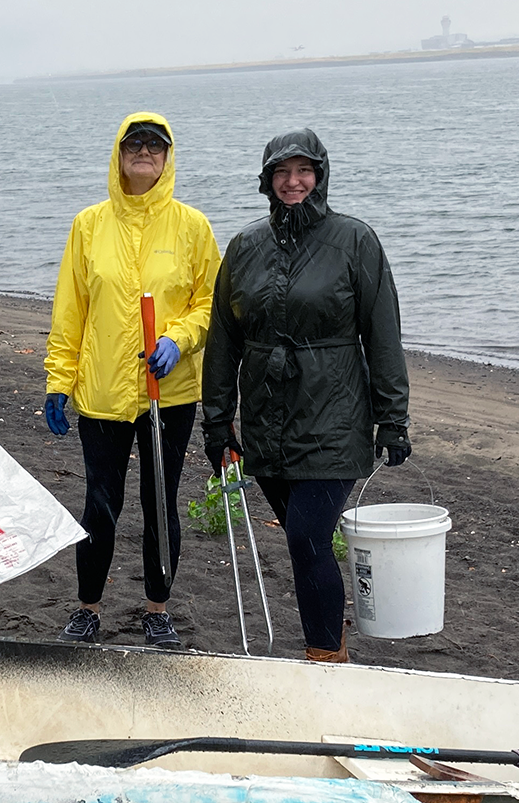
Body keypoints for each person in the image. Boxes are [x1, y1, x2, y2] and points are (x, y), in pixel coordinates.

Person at [201, 128, 410, 664]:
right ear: (267, 180)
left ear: (320, 176)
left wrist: (393, 417)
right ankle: (327, 636)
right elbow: (224, 336)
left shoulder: (354, 240)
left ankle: (325, 656)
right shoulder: (246, 246)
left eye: (303, 171)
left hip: (334, 411)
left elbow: (382, 331)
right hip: (267, 418)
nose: (293, 182)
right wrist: (218, 420)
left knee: (308, 536)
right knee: (303, 543)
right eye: (282, 173)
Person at [44, 114, 220, 647]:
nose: (144, 152)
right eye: (134, 145)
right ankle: (87, 609)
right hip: (101, 389)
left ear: (168, 158)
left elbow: (211, 303)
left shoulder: (192, 227)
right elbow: (70, 310)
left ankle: (157, 609)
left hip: (169, 392)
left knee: (160, 500)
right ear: (118, 155)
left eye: (155, 146)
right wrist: (59, 379)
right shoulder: (89, 225)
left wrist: (180, 337)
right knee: (101, 501)